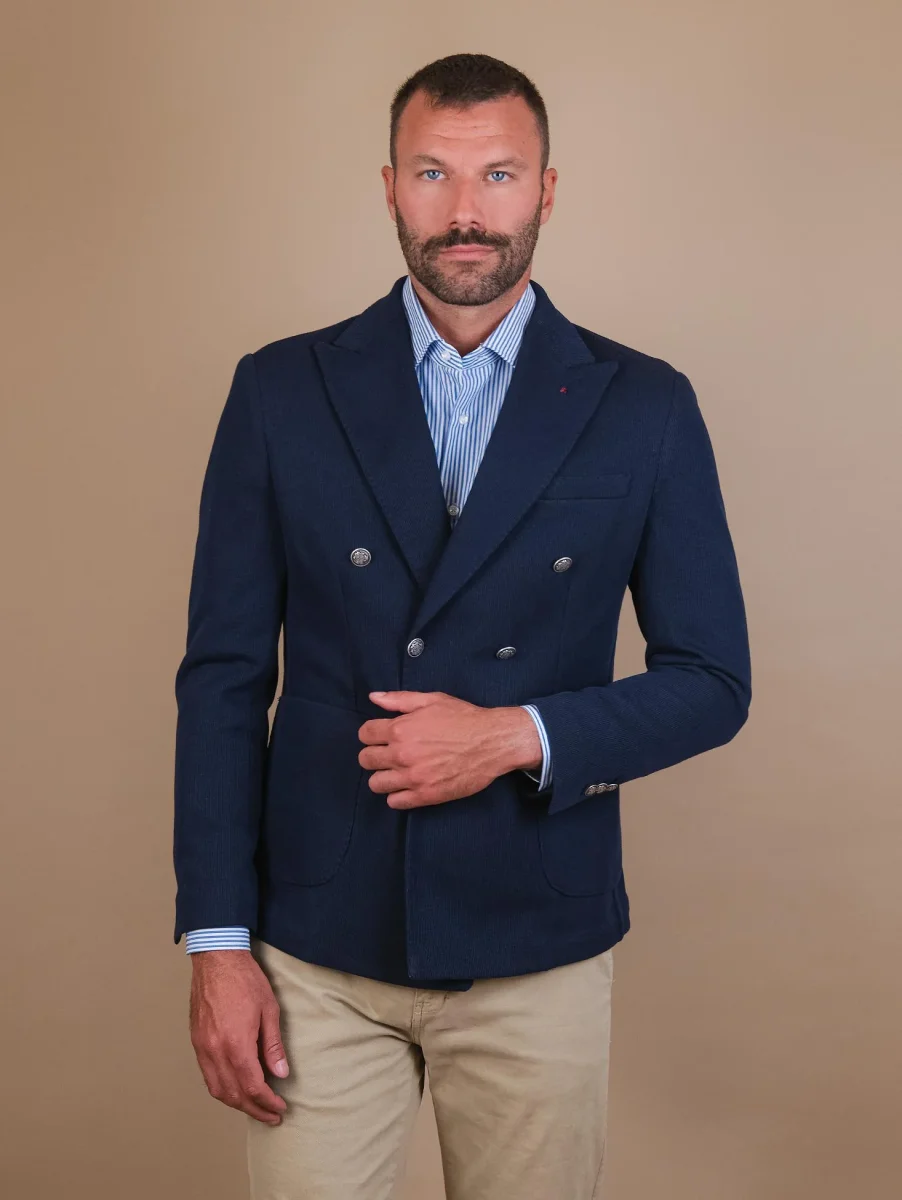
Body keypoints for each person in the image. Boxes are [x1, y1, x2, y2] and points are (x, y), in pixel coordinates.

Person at [173, 51, 751, 1200]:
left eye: (498, 173)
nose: (465, 210)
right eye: (433, 172)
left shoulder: (642, 404)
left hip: (535, 938)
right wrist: (217, 943)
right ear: (389, 185)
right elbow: (224, 680)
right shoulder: (281, 391)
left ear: (547, 189)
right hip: (315, 943)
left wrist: (510, 737)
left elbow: (710, 679)